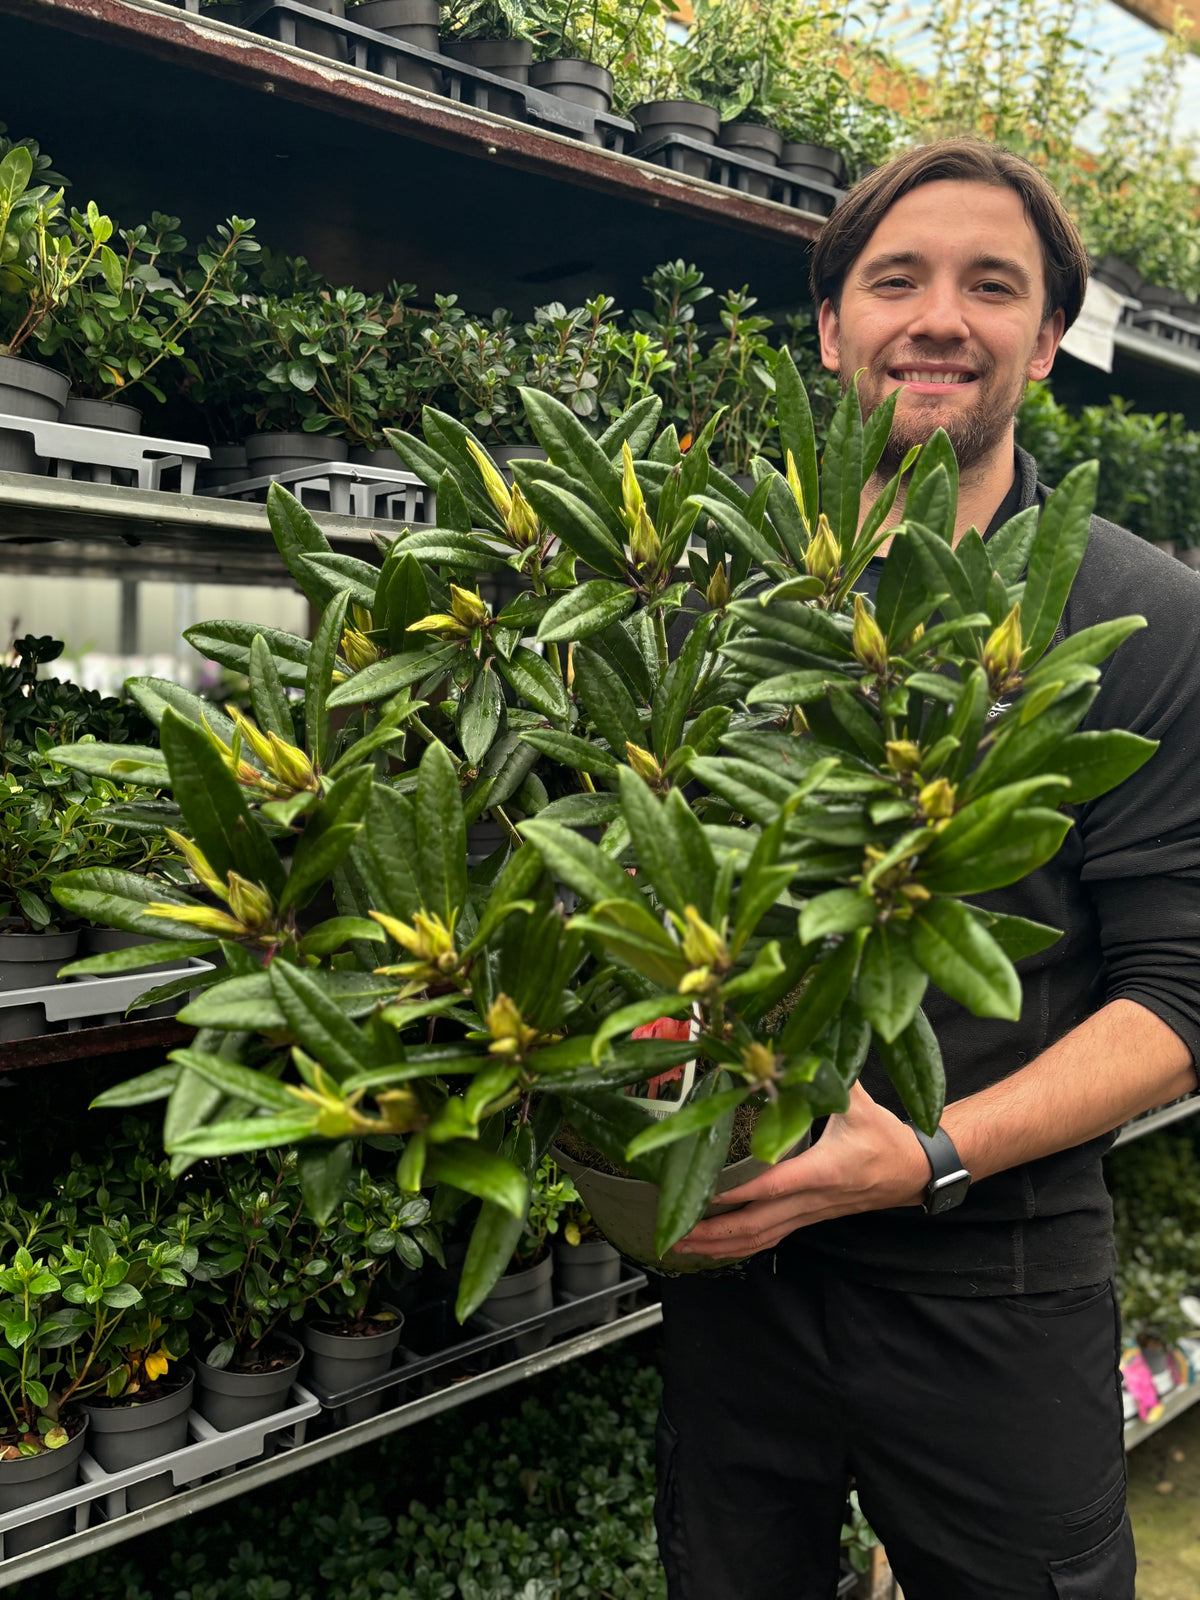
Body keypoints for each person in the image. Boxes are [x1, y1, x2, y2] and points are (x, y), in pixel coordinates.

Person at [653, 137, 1200, 1600]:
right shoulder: (729, 589)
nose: (940, 317)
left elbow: (1182, 994)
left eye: (992, 285)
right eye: (896, 279)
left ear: (1053, 335)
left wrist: (933, 1151)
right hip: (740, 1258)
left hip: (990, 1268)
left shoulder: (1136, 616)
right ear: (831, 328)